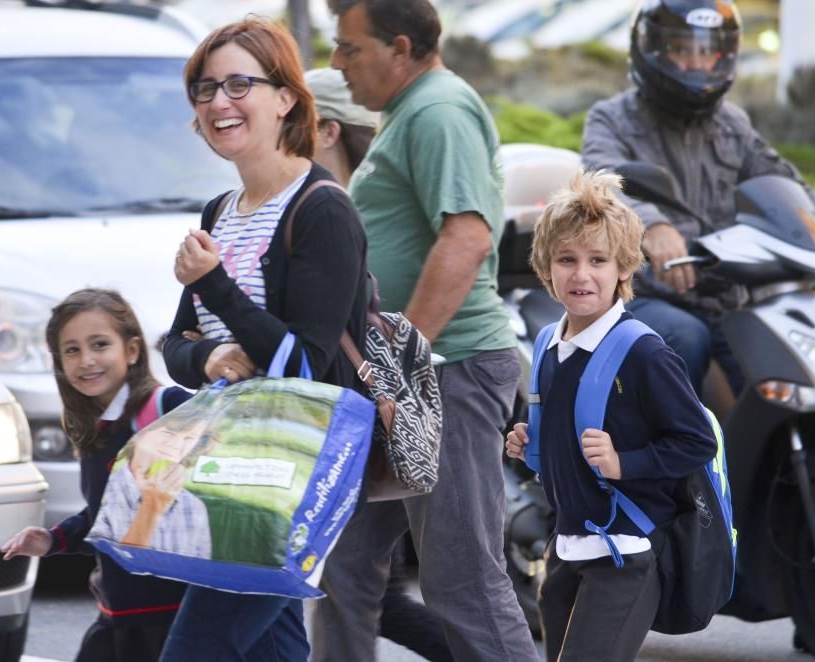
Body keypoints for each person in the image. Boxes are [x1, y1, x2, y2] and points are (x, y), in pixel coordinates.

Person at [311, 2, 540, 661]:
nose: (337, 63)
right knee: (345, 568)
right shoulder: (410, 111)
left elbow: (466, 238)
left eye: (350, 49)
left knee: (461, 580)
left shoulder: (438, 110)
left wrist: (401, 362)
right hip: (402, 379)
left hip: (447, 372)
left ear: (401, 47)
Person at [160, 17, 368, 662]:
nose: (220, 102)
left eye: (239, 84)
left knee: (195, 650)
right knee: (271, 652)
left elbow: (305, 363)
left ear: (285, 98)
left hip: (287, 473)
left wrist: (216, 285)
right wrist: (209, 354)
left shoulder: (322, 209)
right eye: (205, 88)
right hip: (228, 463)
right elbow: (176, 343)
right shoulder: (219, 211)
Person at [506, 169, 718, 661]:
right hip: (566, 549)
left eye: (597, 260)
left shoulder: (643, 354)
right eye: (567, 260)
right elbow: (561, 437)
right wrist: (527, 442)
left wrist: (625, 463)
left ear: (623, 269)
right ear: (546, 267)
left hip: (627, 549)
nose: (581, 275)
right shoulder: (548, 345)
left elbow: (696, 441)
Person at [581, 0, 815, 396]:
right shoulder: (611, 119)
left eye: (708, 51)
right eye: (682, 50)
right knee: (684, 337)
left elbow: (788, 184)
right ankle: (670, 455)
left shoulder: (733, 124)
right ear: (652, 50)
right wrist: (653, 226)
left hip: (726, 296)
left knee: (789, 353)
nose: (697, 63)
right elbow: (602, 182)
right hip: (641, 294)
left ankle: (778, 455)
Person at [305, 66, 454, 662]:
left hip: (382, 415)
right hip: (368, 416)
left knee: (356, 585)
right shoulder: (346, 200)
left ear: (326, 131)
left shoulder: (344, 208)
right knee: (365, 589)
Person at [0, 288, 192, 662]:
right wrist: (53, 539)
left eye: (99, 344)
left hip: (174, 616)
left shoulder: (167, 408)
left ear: (132, 351)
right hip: (117, 613)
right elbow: (105, 518)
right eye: (71, 350)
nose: (86, 360)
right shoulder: (94, 430)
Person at [90, 415, 212, 558]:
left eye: (189, 438)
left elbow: (197, 570)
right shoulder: (107, 488)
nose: (176, 445)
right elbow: (115, 565)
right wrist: (152, 506)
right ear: (139, 433)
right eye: (168, 433)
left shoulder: (194, 507)